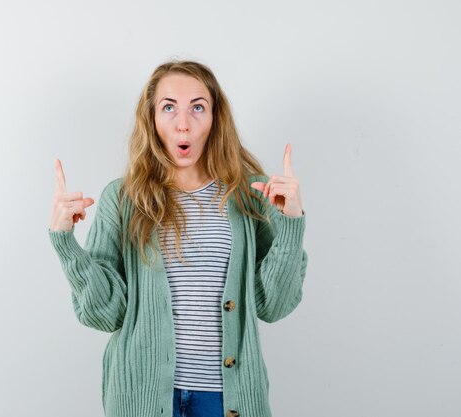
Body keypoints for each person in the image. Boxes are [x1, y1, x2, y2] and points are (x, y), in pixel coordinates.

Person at [49, 60, 307, 417]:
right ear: (152, 119)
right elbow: (104, 314)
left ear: (216, 118)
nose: (183, 123)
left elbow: (273, 305)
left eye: (197, 107)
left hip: (225, 401)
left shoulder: (251, 193)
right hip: (141, 398)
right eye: (168, 107)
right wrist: (65, 242)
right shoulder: (123, 198)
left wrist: (291, 221)